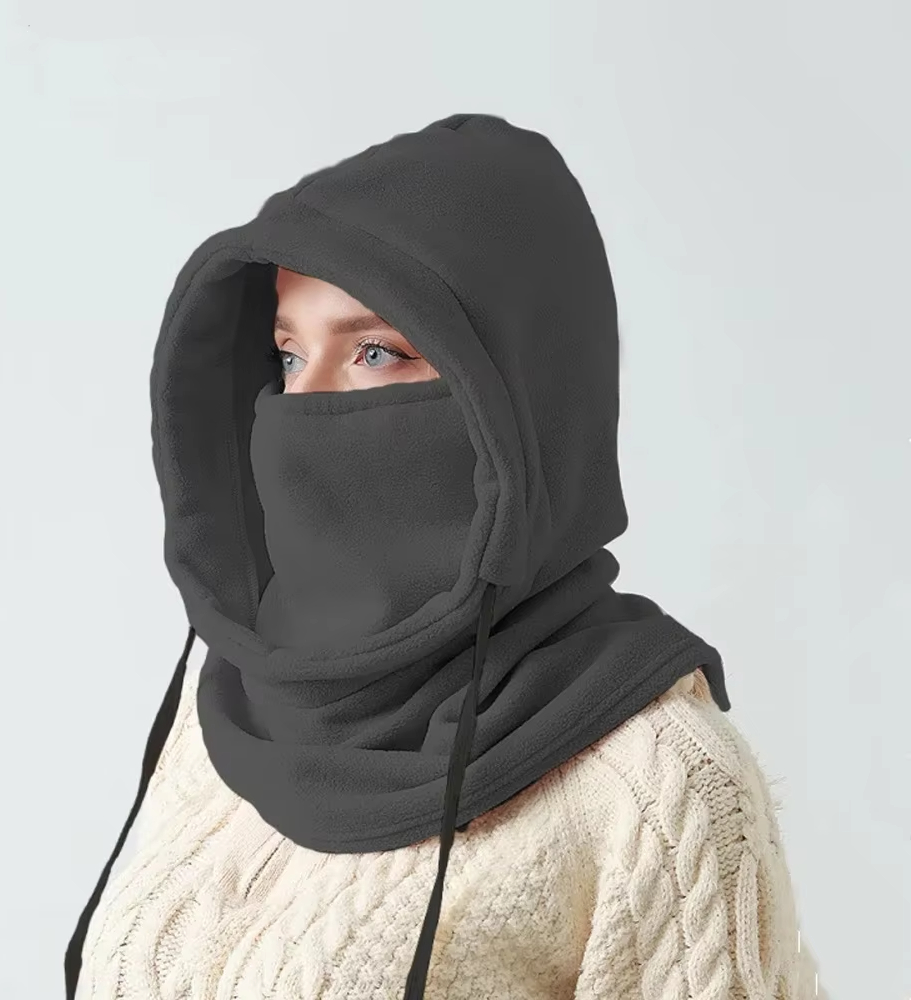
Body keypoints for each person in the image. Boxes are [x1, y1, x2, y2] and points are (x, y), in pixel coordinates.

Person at [65, 113, 821, 1000]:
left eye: (374, 352)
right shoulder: (234, 709)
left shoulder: (657, 783)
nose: (304, 407)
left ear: (519, 396)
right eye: (288, 355)